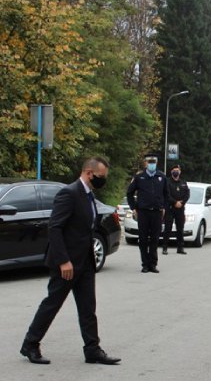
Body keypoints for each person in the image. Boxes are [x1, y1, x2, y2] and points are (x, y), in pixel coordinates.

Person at [19, 157, 121, 365]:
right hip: (67, 264)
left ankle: (92, 350)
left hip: (85, 263)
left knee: (88, 308)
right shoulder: (69, 193)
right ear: (89, 173)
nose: (103, 181)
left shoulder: (88, 195)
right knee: (52, 304)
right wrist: (64, 260)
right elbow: (54, 228)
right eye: (102, 177)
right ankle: (30, 344)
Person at [127, 154, 169, 273]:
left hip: (157, 212)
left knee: (155, 239)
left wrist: (164, 207)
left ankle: (153, 264)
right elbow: (130, 193)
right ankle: (145, 264)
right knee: (143, 239)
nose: (152, 165)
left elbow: (166, 194)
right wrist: (133, 207)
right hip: (143, 213)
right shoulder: (140, 177)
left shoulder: (161, 177)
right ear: (146, 164)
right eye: (149, 163)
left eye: (154, 163)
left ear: (156, 164)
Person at [162, 164, 190, 255]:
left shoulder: (183, 182)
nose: (176, 171)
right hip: (170, 208)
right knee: (168, 228)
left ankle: (180, 248)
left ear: (180, 172)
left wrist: (182, 203)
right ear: (171, 171)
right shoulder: (167, 182)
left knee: (180, 229)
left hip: (180, 209)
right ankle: (165, 248)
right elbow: (167, 195)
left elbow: (187, 194)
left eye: (177, 170)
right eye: (174, 170)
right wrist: (175, 202)